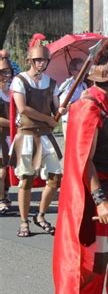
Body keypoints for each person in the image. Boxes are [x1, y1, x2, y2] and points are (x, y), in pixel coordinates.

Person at [52, 39, 108, 294]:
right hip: (100, 209)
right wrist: (100, 199)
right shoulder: (88, 107)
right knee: (93, 271)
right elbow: (83, 160)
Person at [10, 33, 66, 237]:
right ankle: (24, 221)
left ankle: (41, 215)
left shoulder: (51, 83)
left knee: (55, 178)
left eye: (44, 60)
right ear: (31, 61)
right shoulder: (19, 80)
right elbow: (23, 109)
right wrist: (49, 119)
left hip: (45, 136)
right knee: (26, 180)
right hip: (26, 135)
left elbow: (57, 106)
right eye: (38, 60)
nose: (42, 63)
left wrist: (62, 110)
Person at [58, 57, 87, 141]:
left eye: (85, 69)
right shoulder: (66, 86)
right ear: (72, 71)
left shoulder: (84, 85)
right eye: (81, 70)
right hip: (70, 123)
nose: (84, 73)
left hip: (82, 121)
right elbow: (63, 109)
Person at [0, 56, 12, 214]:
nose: (6, 76)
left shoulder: (13, 91)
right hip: (1, 135)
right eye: (3, 72)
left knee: (8, 170)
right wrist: (13, 124)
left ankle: (6, 194)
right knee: (1, 170)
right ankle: (1, 198)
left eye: (8, 72)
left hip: (12, 136)